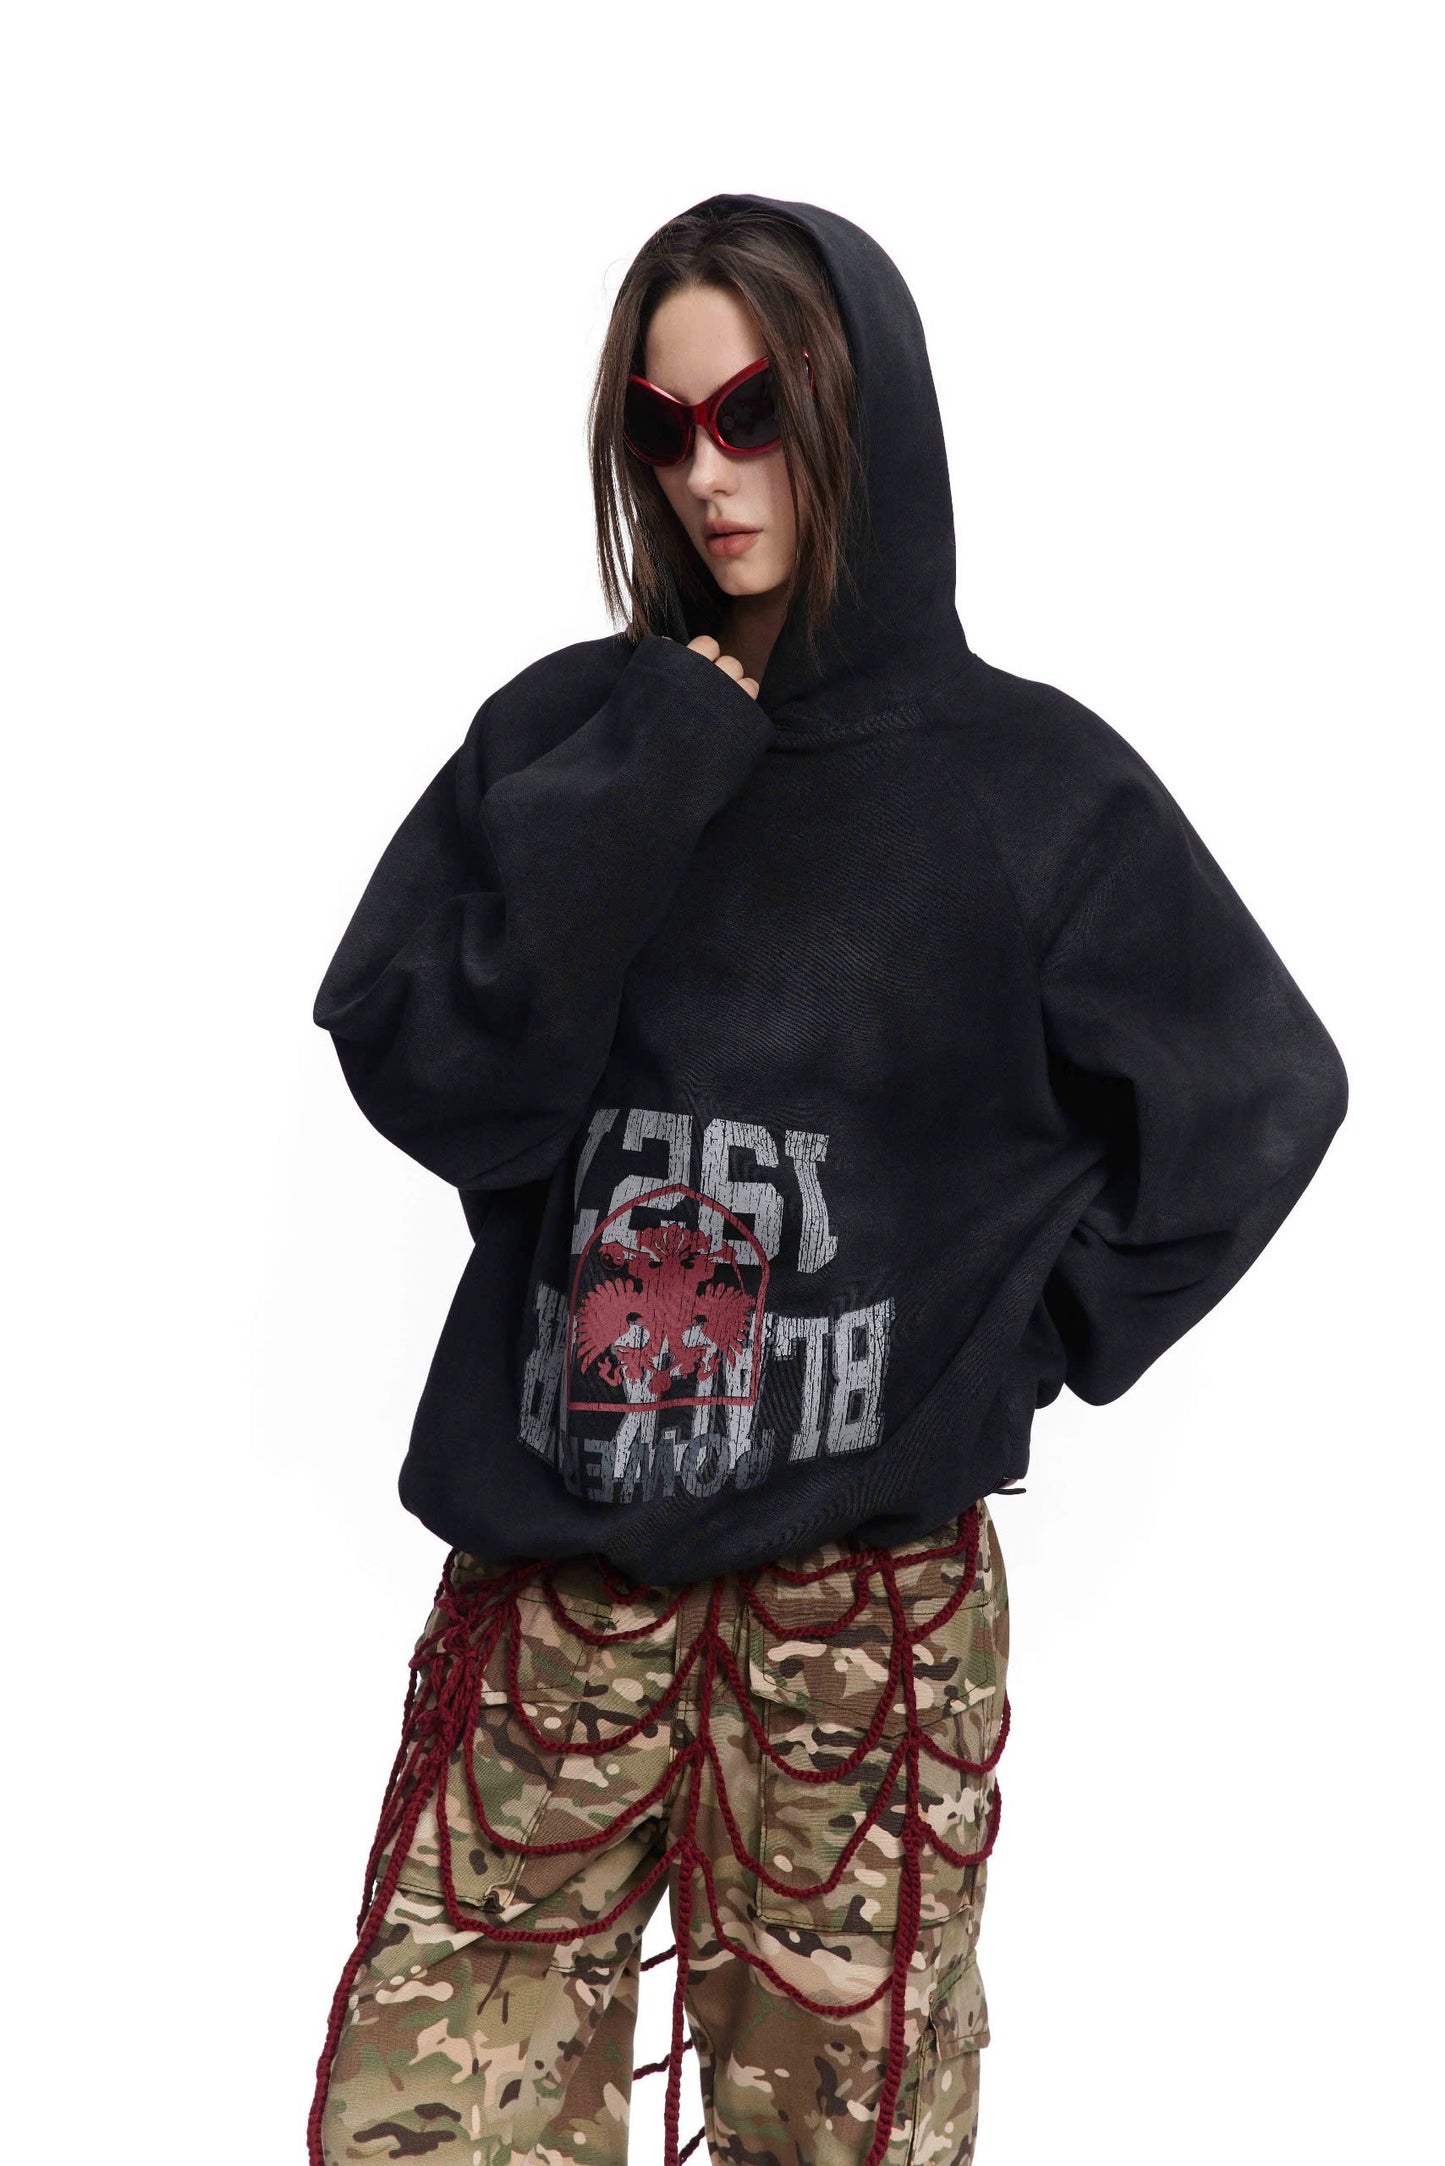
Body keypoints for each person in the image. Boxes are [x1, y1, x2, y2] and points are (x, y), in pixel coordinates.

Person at [306, 193, 1348, 2166]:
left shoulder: (1029, 786)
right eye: (662, 425)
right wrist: (657, 757)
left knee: (842, 2140)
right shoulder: (567, 736)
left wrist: (1011, 1344)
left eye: (756, 414)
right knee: (421, 2126)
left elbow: (1260, 1093)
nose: (707, 474)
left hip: (850, 1637)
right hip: (554, 1603)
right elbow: (444, 1083)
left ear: (860, 412)